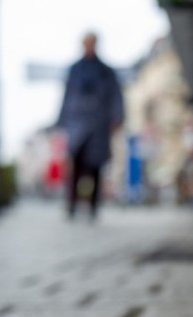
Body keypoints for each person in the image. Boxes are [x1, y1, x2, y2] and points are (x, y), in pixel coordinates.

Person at [56, 32, 124, 221]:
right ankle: (71, 205)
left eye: (92, 43)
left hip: (98, 124)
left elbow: (116, 96)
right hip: (77, 123)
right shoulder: (74, 70)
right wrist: (62, 123)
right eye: (87, 43)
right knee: (75, 165)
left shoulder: (106, 71)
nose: (89, 47)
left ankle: (93, 206)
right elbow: (66, 97)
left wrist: (117, 118)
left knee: (95, 167)